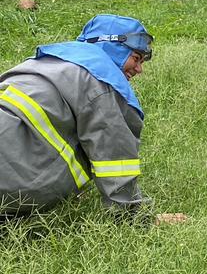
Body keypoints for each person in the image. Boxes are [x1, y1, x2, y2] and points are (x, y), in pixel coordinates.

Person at [1, 15, 185, 224]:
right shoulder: (101, 81)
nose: (139, 69)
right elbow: (115, 158)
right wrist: (136, 217)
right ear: (113, 47)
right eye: (136, 58)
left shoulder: (43, 63)